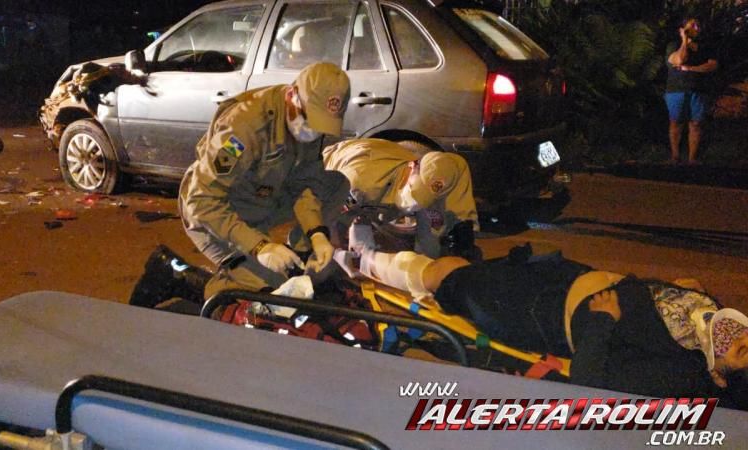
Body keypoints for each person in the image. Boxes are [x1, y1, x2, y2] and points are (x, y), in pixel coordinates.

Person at [335, 228, 748, 406]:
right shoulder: (705, 330)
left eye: (742, 351)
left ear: (719, 378)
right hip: (564, 281)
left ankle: (362, 261)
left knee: (448, 275)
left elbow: (590, 383)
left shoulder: (678, 378)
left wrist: (603, 321)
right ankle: (378, 266)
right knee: (455, 271)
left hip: (539, 310)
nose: (740, 336)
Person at [131, 62, 351, 308]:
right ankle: (175, 275)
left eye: (320, 126)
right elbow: (202, 200)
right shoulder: (244, 127)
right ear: (291, 95)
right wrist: (260, 247)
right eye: (309, 120)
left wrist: (316, 233)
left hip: (265, 200)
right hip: (217, 214)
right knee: (269, 295)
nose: (312, 133)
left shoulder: (305, 122)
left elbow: (306, 183)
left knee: (336, 184)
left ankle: (297, 260)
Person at [322, 138, 480, 260]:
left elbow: (429, 234)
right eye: (413, 194)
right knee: (335, 251)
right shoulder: (356, 184)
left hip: (381, 163)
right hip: (336, 165)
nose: (414, 206)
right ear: (412, 167)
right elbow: (331, 225)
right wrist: (339, 255)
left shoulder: (446, 170)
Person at [665, 17, 718, 164]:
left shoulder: (705, 47)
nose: (696, 28)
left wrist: (691, 69)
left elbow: (712, 65)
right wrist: (684, 41)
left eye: (698, 25)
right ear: (682, 29)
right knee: (676, 122)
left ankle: (692, 159)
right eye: (692, 26)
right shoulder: (674, 45)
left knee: (696, 123)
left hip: (699, 90)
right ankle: (675, 157)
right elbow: (680, 60)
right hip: (677, 90)